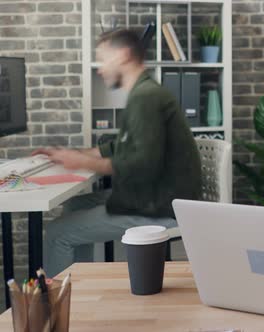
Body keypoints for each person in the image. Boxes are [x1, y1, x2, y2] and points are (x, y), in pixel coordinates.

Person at [35, 29, 202, 277]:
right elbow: (119, 146)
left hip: (163, 205)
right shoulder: (143, 93)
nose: (100, 69)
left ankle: (59, 309)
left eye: (104, 60)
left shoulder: (147, 98)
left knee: (58, 233)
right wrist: (72, 154)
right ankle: (81, 285)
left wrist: (81, 161)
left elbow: (141, 164)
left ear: (123, 56)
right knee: (74, 204)